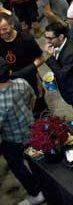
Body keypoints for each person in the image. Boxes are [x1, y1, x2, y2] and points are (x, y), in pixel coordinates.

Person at [0, 60, 46, 205]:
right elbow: (32, 99)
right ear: (9, 72)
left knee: (16, 165)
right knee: (35, 159)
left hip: (12, 139)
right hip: (31, 128)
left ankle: (36, 193)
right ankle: (46, 186)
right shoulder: (21, 83)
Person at [0, 14, 49, 116]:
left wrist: (28, 71)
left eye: (4, 29)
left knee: (39, 106)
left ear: (12, 24)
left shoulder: (26, 39)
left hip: (30, 78)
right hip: (10, 82)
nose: (2, 33)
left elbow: (40, 58)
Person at [41, 22, 73, 117]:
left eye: (50, 38)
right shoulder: (58, 46)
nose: (47, 41)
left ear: (61, 37)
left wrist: (49, 58)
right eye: (45, 37)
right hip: (69, 89)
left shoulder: (70, 52)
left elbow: (62, 74)